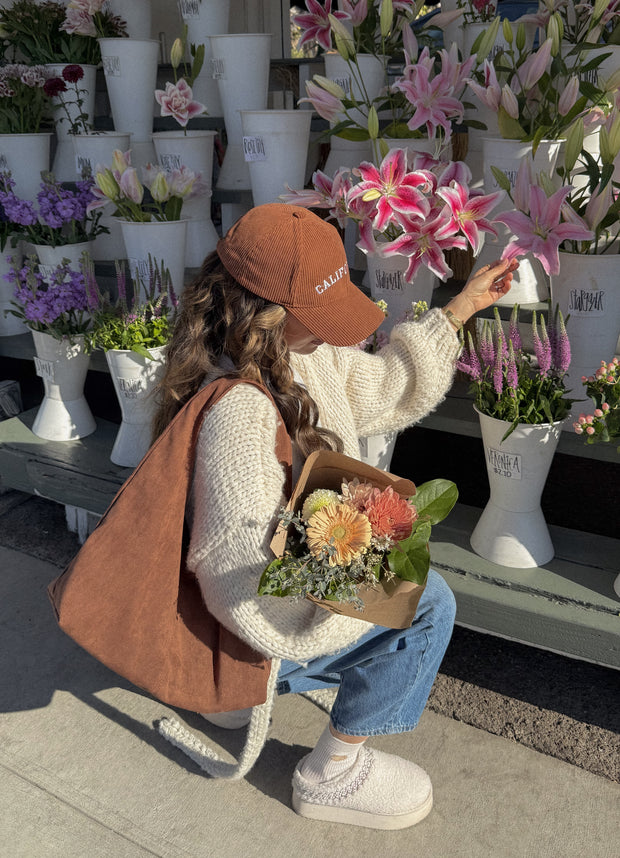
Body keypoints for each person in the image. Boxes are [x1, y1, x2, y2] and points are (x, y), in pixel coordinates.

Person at [153, 203, 518, 830]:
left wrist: (459, 309)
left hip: (242, 601)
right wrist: (342, 608)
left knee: (392, 572)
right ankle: (334, 770)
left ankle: (228, 691)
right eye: (318, 314)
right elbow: (235, 576)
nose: (331, 330)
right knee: (427, 604)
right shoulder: (240, 414)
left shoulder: (279, 356)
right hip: (256, 618)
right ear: (267, 311)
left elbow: (383, 383)